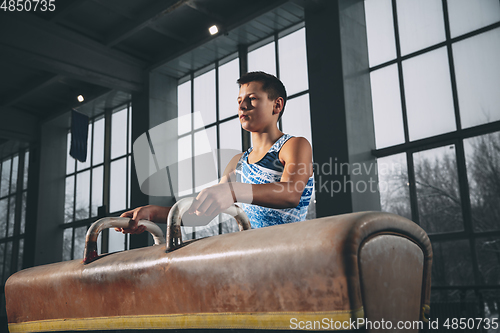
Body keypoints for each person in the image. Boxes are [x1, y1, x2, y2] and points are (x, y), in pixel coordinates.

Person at [116, 71, 314, 233]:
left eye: (252, 99)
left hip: (291, 252)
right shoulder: (238, 163)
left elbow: (291, 193)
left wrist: (234, 191)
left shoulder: (294, 145)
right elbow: (202, 214)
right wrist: (151, 213)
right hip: (253, 256)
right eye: (239, 100)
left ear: (277, 105)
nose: (242, 106)